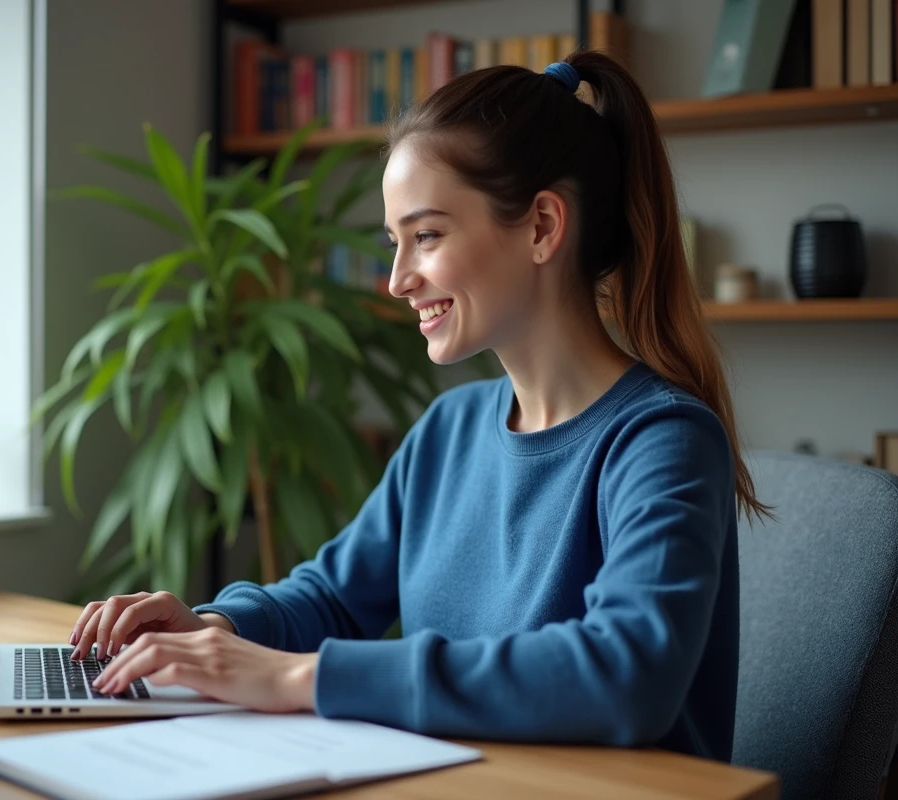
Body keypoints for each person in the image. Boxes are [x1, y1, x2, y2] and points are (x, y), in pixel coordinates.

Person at [68, 50, 767, 761]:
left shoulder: (664, 440)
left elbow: (627, 676)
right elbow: (334, 597)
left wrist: (296, 676)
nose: (400, 279)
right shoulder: (449, 430)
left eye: (426, 236)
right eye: (394, 242)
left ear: (542, 227)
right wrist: (214, 625)